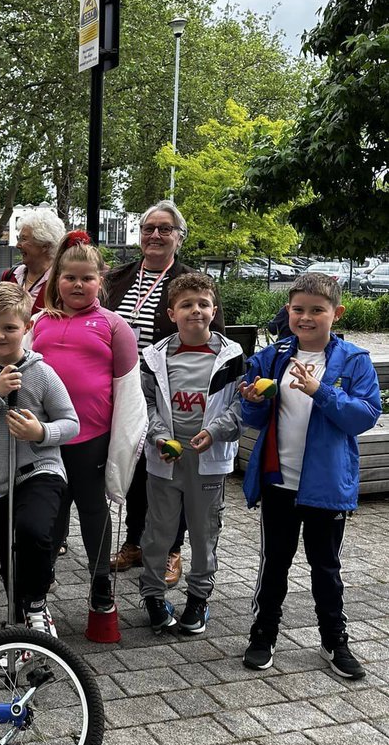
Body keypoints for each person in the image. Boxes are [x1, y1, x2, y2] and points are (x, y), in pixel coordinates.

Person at [239, 272, 381, 680]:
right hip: (279, 481)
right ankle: (263, 634)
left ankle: (334, 641)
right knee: (274, 564)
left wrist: (321, 391)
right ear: (288, 311)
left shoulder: (353, 360)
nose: (306, 317)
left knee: (326, 567)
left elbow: (364, 416)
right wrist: (250, 401)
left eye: (317, 310)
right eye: (298, 309)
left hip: (325, 487)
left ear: (336, 313)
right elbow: (254, 416)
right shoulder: (273, 357)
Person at [106, 201, 225, 585]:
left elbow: (215, 342)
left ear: (179, 237)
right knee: (139, 469)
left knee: (171, 472)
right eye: (148, 228)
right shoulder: (117, 277)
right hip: (121, 390)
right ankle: (136, 542)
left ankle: (172, 548)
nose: (155, 235)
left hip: (171, 395)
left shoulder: (192, 283)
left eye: (165, 229)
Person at [31, 233, 147, 617]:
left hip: (92, 439)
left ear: (101, 280)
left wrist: (124, 444)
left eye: (87, 278)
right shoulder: (39, 323)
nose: (78, 285)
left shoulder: (115, 326)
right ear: (56, 280)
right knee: (50, 512)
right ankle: (40, 580)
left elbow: (130, 392)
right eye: (69, 278)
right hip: (46, 439)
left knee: (92, 510)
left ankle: (99, 582)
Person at [0, 283, 78, 634]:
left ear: (26, 328)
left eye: (10, 327)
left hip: (41, 470)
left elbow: (71, 423)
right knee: (10, 558)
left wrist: (40, 433)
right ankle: (23, 630)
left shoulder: (41, 372)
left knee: (32, 531)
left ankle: (37, 604)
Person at [139, 273, 244, 635]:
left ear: (214, 310)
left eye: (203, 304)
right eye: (186, 305)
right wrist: (159, 436)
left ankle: (198, 598)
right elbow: (146, 403)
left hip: (208, 462)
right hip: (165, 460)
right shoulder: (154, 357)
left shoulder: (232, 356)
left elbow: (239, 407)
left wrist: (215, 432)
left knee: (204, 533)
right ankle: (153, 595)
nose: (195, 311)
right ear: (172, 313)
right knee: (158, 532)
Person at [2, 208, 66, 314]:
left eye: (24, 239)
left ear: (45, 245)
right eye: (19, 239)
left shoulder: (61, 282)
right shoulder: (9, 276)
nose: (18, 245)